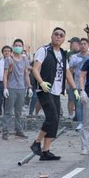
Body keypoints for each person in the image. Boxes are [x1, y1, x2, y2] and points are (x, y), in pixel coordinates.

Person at [30, 27, 78, 161]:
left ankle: (46, 151)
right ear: (51, 36)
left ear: (63, 39)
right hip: (45, 89)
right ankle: (36, 143)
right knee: (51, 117)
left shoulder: (63, 53)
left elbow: (67, 73)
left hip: (56, 91)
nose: (58, 37)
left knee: (55, 120)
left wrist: (75, 89)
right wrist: (41, 83)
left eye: (61, 35)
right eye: (56, 34)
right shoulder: (43, 50)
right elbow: (35, 69)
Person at [2, 39, 30, 140]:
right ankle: (5, 131)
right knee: (8, 111)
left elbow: (26, 73)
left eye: (19, 45)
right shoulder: (9, 59)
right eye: (16, 45)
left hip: (21, 88)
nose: (18, 47)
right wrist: (5, 88)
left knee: (19, 111)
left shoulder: (25, 59)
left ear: (22, 47)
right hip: (11, 87)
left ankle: (19, 130)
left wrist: (29, 87)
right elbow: (5, 74)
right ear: (13, 46)